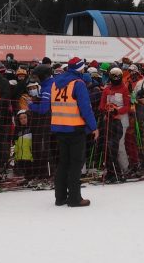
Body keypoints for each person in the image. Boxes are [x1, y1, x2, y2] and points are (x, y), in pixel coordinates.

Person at [49, 57, 98, 207]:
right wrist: (94, 127)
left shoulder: (55, 83)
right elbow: (85, 108)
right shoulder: (78, 84)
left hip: (59, 127)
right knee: (76, 164)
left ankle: (60, 197)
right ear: (80, 69)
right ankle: (75, 198)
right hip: (75, 128)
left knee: (63, 163)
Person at [99, 67, 131, 182]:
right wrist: (107, 109)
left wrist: (117, 110)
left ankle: (125, 168)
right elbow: (102, 105)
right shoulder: (107, 89)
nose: (116, 78)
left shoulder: (124, 89)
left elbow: (127, 106)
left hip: (121, 120)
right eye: (113, 75)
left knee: (119, 145)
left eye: (118, 75)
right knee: (110, 146)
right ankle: (112, 169)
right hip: (110, 120)